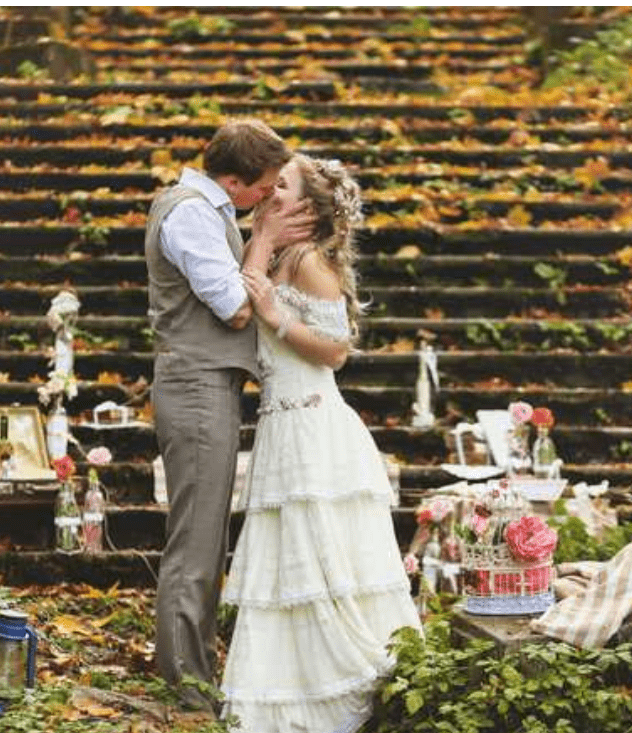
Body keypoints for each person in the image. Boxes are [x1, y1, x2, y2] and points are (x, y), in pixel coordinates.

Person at [221, 154, 423, 733]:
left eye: (279, 185)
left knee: (324, 562)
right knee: (292, 567)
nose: (266, 189)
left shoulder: (309, 261)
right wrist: (260, 248)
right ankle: (289, 688)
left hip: (314, 426)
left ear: (307, 207)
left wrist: (274, 314)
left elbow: (336, 351)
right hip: (281, 425)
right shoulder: (279, 253)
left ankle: (342, 687)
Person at [145, 119, 314, 713]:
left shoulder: (208, 209)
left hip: (209, 384)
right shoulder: (191, 211)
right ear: (236, 181)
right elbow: (237, 309)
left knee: (207, 537)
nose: (268, 198)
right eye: (265, 188)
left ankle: (196, 669)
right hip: (194, 386)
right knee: (194, 542)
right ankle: (186, 686)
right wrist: (264, 242)